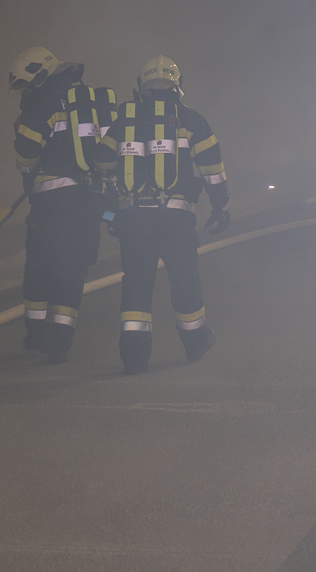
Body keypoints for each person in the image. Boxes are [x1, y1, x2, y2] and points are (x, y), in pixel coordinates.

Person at [94, 56, 230, 374]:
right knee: (184, 281)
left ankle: (134, 357)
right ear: (177, 86)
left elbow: (101, 160)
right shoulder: (191, 120)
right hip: (176, 219)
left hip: (132, 219)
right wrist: (220, 205)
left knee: (136, 285)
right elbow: (211, 167)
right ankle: (196, 343)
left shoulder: (125, 121)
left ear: (141, 86)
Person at [8, 47, 117, 363]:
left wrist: (28, 174)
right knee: (72, 271)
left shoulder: (44, 103)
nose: (25, 92)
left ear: (38, 77)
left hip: (50, 206)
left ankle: (36, 334)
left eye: (25, 85)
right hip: (88, 203)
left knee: (39, 267)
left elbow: (26, 151)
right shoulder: (89, 104)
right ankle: (59, 342)